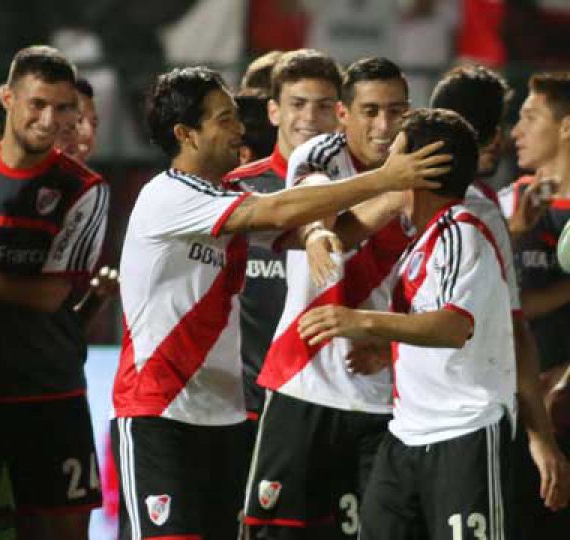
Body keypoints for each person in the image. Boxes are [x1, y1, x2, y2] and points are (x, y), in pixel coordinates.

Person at [111, 65, 447, 540]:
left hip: (224, 418)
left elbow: (339, 230)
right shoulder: (167, 197)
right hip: (159, 414)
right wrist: (383, 180)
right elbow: (277, 208)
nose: (240, 128)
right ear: (186, 134)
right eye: (224, 119)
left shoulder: (223, 200)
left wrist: (393, 195)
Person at [297, 108, 516, 539]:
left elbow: (453, 327)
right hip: (406, 434)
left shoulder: (461, 230)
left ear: (422, 168)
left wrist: (359, 320)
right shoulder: (426, 236)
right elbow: (429, 323)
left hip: (463, 431)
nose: (389, 165)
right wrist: (389, 351)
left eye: (398, 155)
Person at [244, 57, 438, 539]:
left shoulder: (429, 166)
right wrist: (316, 236)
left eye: (396, 112)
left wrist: (394, 345)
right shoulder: (320, 153)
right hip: (304, 380)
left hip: (388, 397)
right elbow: (316, 203)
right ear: (344, 114)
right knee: (276, 532)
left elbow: (443, 282)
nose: (383, 125)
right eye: (370, 111)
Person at [0, 46, 108, 540]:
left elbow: (51, 296)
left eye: (61, 108)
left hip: (50, 392)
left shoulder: (85, 188)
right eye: (37, 104)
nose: (48, 119)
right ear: (8, 99)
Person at [224, 50, 342, 455]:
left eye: (323, 106)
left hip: (329, 401)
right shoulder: (233, 189)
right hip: (243, 405)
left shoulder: (361, 190)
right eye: (297, 104)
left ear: (341, 113)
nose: (309, 117)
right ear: (273, 111)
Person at [497, 71, 570, 535]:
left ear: (567, 126)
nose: (515, 132)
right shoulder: (507, 206)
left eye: (530, 118)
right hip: (516, 421)